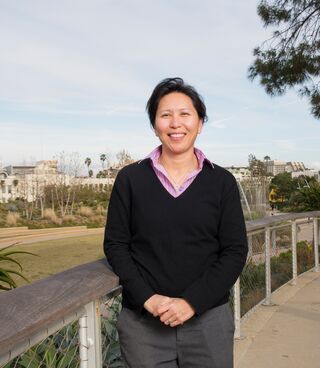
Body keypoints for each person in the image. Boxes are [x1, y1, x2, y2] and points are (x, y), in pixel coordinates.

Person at [104, 77, 248, 368]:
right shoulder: (131, 179)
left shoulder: (221, 182)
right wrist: (148, 299)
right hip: (144, 325)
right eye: (165, 115)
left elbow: (234, 251)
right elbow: (116, 245)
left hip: (209, 322)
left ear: (200, 122)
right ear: (155, 125)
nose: (175, 123)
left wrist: (191, 302)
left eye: (185, 114)